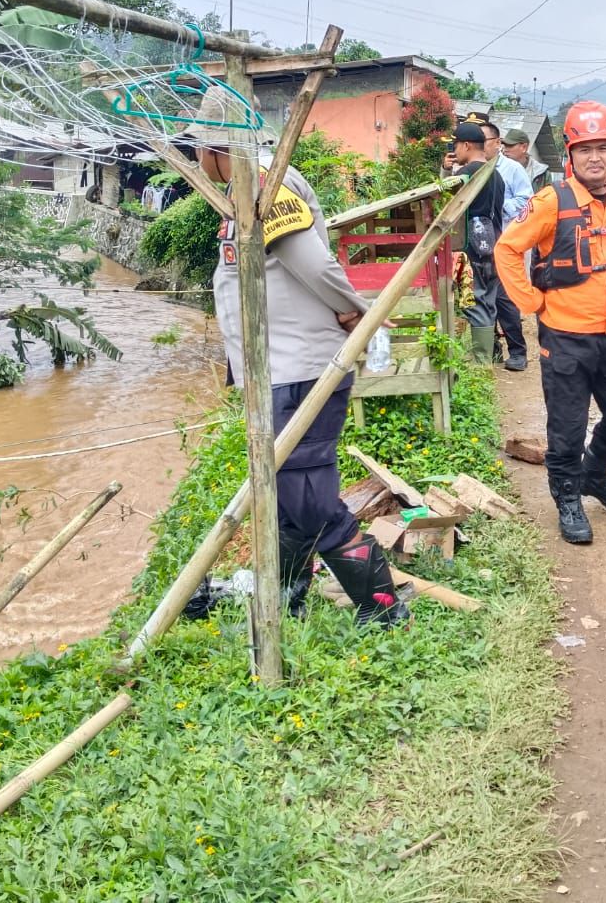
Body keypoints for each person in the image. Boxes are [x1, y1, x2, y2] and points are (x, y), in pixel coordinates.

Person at [182, 89, 408, 628]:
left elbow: (313, 263)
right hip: (279, 369)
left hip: (300, 369)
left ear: (217, 148)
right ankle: (285, 599)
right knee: (288, 496)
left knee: (307, 497)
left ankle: (382, 608)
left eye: (198, 149)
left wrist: (356, 312)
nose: (195, 160)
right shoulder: (244, 190)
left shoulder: (267, 184)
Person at [496, 101, 606, 544]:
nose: (595, 157)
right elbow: (507, 249)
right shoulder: (550, 202)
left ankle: (594, 475)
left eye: (603, 148)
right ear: (571, 155)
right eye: (586, 149)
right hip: (564, 337)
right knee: (567, 428)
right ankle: (567, 499)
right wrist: (531, 300)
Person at [452, 120, 506, 365]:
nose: (454, 152)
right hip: (494, 244)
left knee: (474, 300)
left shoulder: (465, 175)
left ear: (465, 145)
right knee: (488, 299)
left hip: (471, 247)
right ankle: (484, 358)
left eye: (456, 146)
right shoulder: (497, 175)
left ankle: (481, 362)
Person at [483, 122, 532, 373]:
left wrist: (498, 205)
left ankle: (518, 351)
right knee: (480, 297)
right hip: (479, 244)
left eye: (484, 140)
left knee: (505, 299)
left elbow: (526, 201)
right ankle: (490, 348)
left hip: (505, 242)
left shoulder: (512, 169)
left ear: (496, 142)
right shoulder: (471, 168)